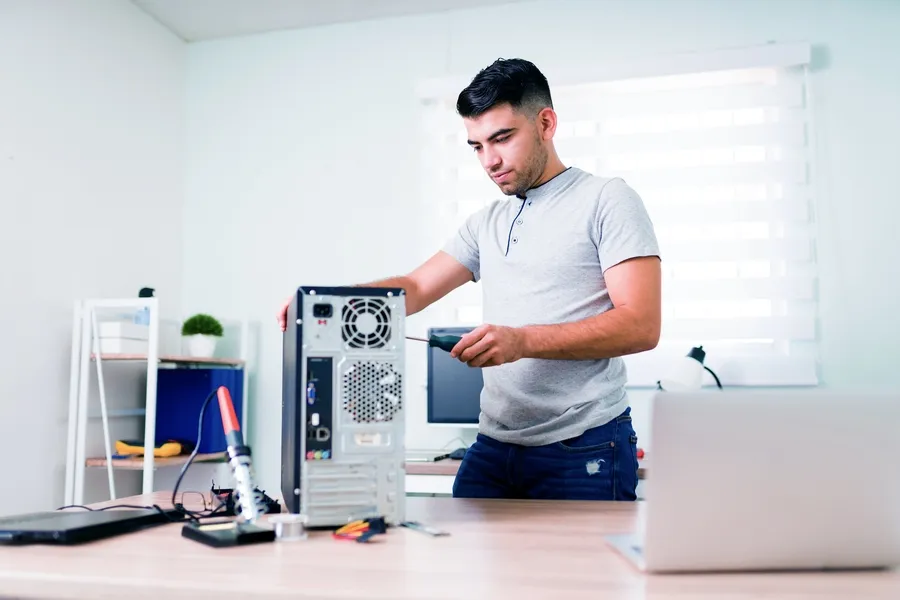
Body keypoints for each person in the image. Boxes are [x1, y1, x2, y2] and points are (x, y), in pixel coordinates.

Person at [278, 58, 661, 501]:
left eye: (502, 138)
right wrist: (325, 300)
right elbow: (417, 288)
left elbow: (641, 325)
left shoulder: (607, 199)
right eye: (476, 146)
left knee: (575, 572)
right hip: (494, 447)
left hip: (586, 445)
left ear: (546, 123)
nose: (489, 160)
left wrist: (522, 341)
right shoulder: (487, 222)